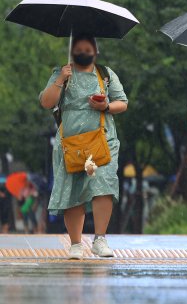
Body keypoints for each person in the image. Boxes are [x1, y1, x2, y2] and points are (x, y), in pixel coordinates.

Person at [39, 35, 129, 259]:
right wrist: (61, 78)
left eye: (87, 48)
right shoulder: (61, 73)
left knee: (103, 184)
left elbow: (123, 103)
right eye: (78, 48)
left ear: (95, 51)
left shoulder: (106, 74)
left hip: (102, 140)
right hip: (70, 144)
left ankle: (100, 239)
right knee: (72, 190)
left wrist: (106, 105)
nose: (83, 52)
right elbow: (46, 102)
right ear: (71, 51)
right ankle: (76, 244)